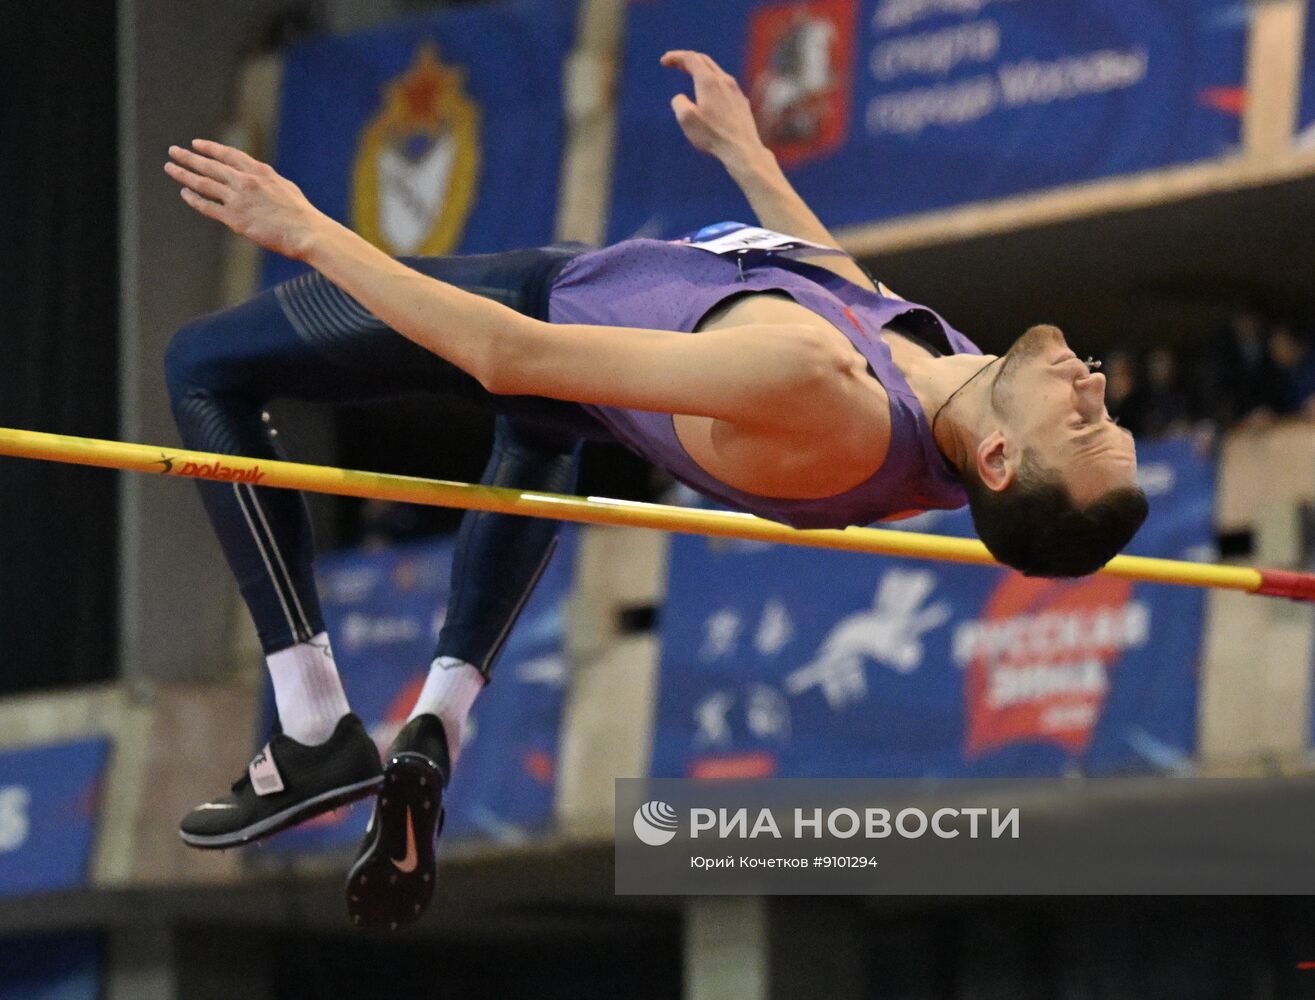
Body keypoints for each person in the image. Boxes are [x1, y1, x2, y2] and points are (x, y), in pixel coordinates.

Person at [161, 50, 1145, 929]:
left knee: (204, 367)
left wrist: (306, 230)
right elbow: (849, 291)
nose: (1095, 388)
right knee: (545, 426)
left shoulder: (822, 391)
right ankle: (440, 719)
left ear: (1001, 460)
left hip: (538, 309)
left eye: (1085, 424)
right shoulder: (954, 387)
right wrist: (747, 156)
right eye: (1106, 413)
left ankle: (311, 723)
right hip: (607, 376)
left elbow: (510, 356)